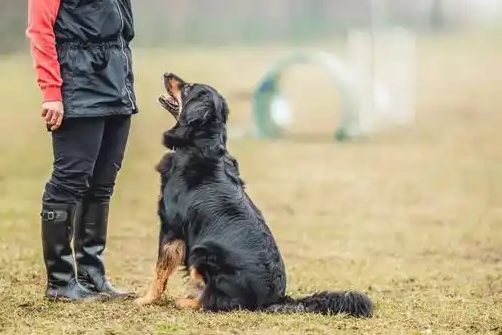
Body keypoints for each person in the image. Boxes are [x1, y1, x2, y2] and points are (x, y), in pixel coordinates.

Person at [26, 0, 137, 301]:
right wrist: (51, 91)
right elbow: (40, 29)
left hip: (117, 83)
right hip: (77, 86)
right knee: (69, 181)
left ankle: (92, 275)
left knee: (102, 186)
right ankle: (61, 282)